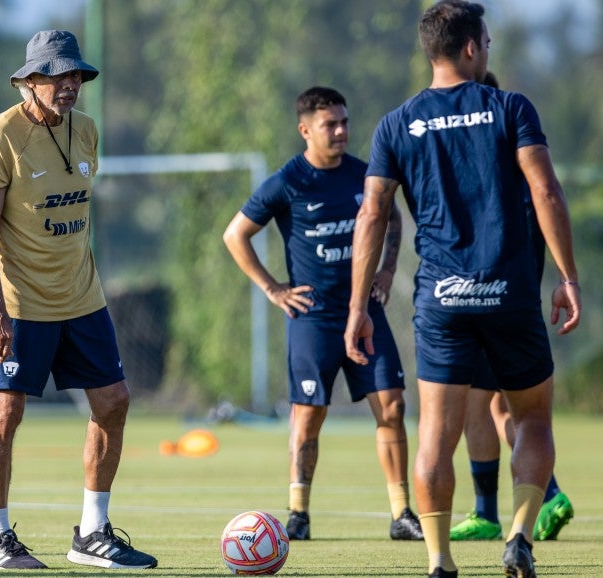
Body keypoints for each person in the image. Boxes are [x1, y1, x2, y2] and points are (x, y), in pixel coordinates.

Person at [344, 2, 581, 577]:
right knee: (531, 420)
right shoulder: (509, 107)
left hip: (442, 300)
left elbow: (372, 214)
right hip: (511, 294)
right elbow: (546, 192)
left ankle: (439, 561)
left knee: (435, 437)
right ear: (471, 47)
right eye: (488, 42)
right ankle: (519, 534)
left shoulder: (397, 124)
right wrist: (568, 277)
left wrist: (357, 307)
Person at [0, 29, 157, 570]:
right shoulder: (2, 134)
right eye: (58, 75)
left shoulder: (87, 131)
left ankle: (93, 534)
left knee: (114, 402)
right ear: (30, 82)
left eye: (76, 75)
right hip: (20, 303)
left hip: (82, 297)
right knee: (4, 413)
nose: (70, 84)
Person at [223, 86, 423, 543]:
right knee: (309, 415)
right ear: (305, 130)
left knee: (392, 406)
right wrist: (273, 288)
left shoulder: (364, 174)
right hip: (313, 318)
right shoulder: (287, 181)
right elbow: (235, 235)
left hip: (366, 313)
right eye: (330, 124)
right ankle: (298, 512)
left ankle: (401, 514)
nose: (340, 131)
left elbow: (391, 218)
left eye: (344, 122)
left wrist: (388, 269)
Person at [451, 72, 574, 544]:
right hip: (519, 299)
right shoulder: (523, 170)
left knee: (475, 404)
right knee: (504, 406)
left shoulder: (490, 182)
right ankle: (540, 498)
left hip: (484, 299)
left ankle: (514, 504)